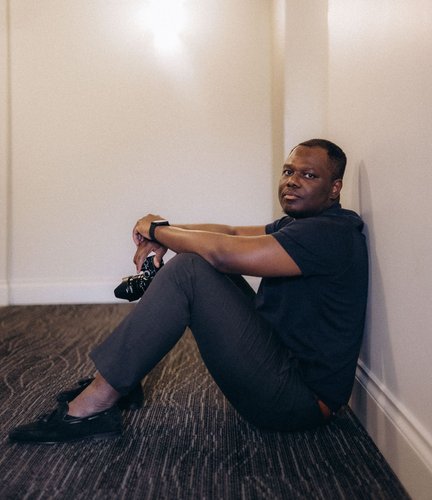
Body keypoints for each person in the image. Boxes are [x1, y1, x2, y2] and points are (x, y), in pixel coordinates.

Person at [9, 139, 368, 443]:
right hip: (281, 364)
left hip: (297, 402)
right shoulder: (305, 224)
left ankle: (93, 407)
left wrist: (158, 232)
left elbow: (223, 252)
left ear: (334, 188)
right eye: (288, 171)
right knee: (197, 261)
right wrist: (165, 229)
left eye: (308, 175)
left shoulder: (329, 235)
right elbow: (230, 233)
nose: (292, 181)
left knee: (189, 270)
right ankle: (123, 380)